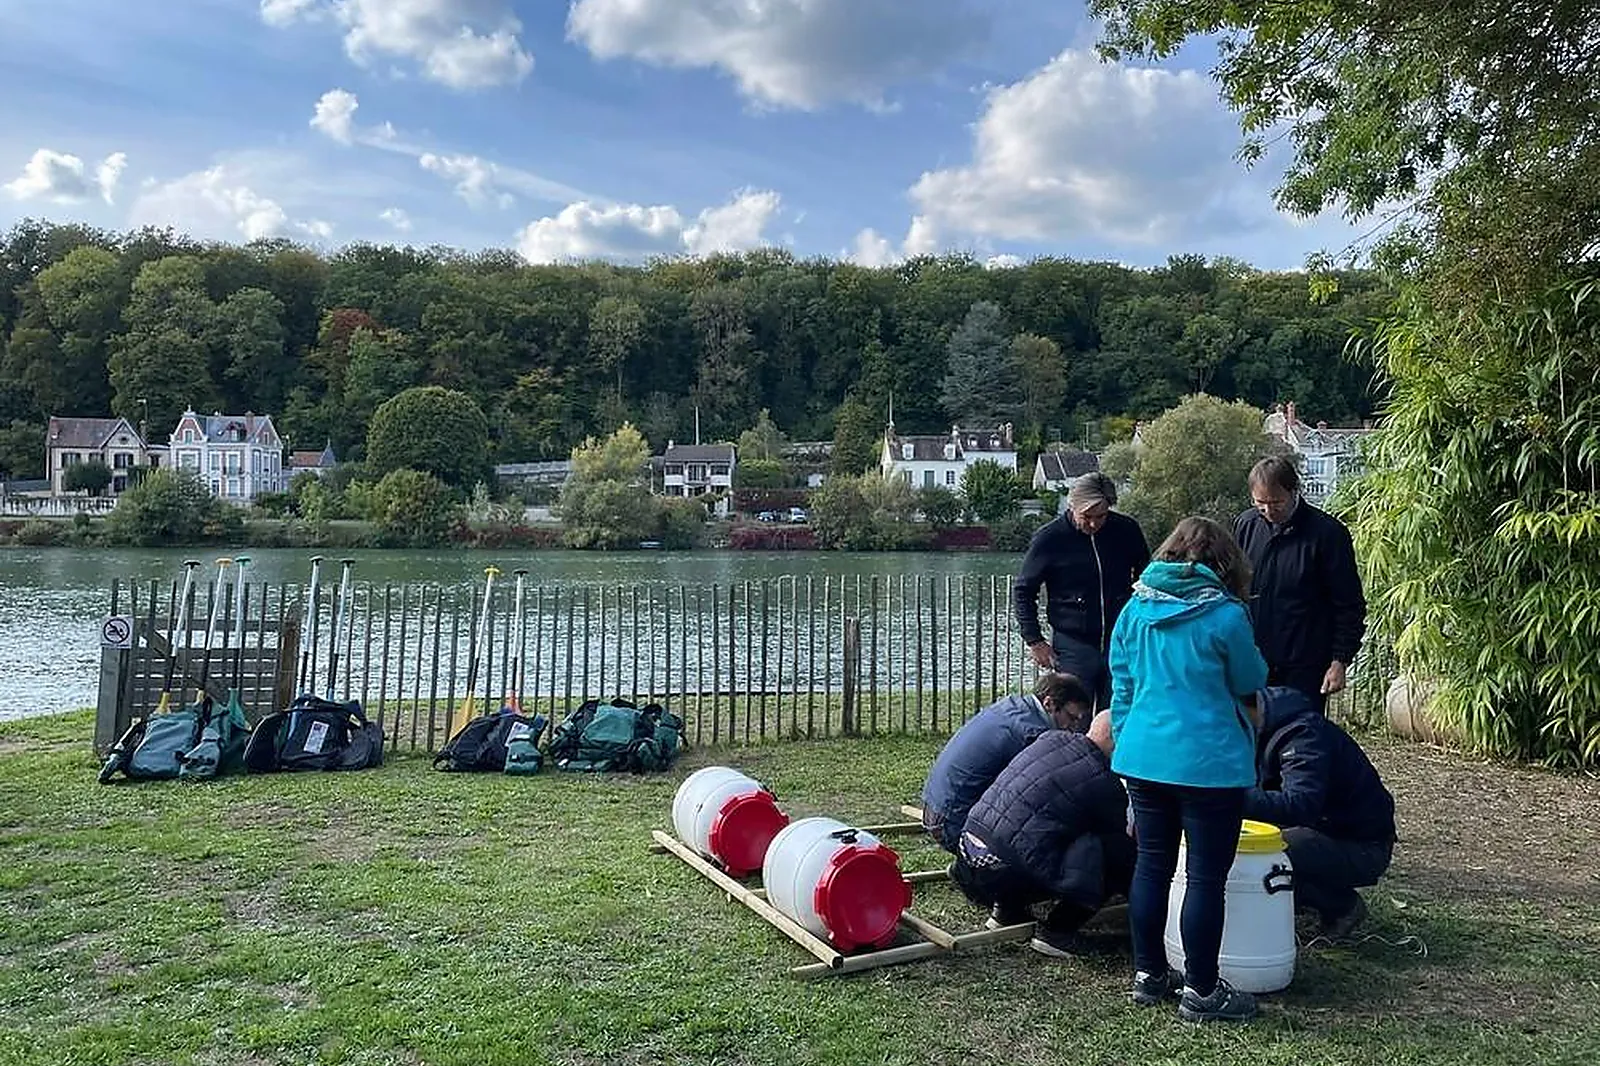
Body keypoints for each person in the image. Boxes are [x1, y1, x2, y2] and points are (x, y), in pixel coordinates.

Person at [1109, 516, 1268, 1023]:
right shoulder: (1226, 616)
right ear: (1224, 563)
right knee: (1204, 877)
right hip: (1210, 763)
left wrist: (1131, 740)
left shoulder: (1134, 610)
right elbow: (1251, 678)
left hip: (1144, 756)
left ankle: (1149, 973)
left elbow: (1123, 686)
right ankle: (1201, 988)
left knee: (1151, 866)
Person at [949, 711, 1134, 958]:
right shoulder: (1104, 783)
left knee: (1028, 830)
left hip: (969, 856)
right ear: (1118, 743)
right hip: (1005, 871)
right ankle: (1059, 932)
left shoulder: (1050, 739)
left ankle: (1007, 911)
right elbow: (1123, 840)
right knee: (1117, 855)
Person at [1243, 686, 1396, 938]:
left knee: (1261, 856)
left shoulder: (1303, 735)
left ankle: (1341, 905)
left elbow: (1300, 804)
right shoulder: (1254, 730)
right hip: (1321, 832)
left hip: (1361, 845)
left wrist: (1229, 798)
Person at [1234, 456, 1366, 713]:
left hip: (1305, 665)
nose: (1269, 511)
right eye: (1260, 504)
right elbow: (1230, 589)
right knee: (1252, 742)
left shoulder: (1328, 534)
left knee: (1301, 742)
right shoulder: (1245, 525)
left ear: (1294, 491)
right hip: (1252, 660)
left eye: (1276, 503)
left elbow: (1348, 604)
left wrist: (1340, 660)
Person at [1014, 472, 1151, 709]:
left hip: (1120, 640)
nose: (1093, 524)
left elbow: (1146, 579)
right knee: (1073, 717)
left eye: (1102, 516)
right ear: (1072, 506)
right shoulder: (1050, 539)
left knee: (1117, 714)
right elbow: (1024, 590)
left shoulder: (1126, 530)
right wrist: (1034, 640)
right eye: (1086, 516)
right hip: (1072, 644)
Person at [921, 673, 1094, 856]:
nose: (1073, 727)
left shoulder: (1013, 706)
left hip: (935, 807)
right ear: (1049, 703)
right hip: (953, 824)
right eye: (1071, 717)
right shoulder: (1032, 734)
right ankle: (972, 868)